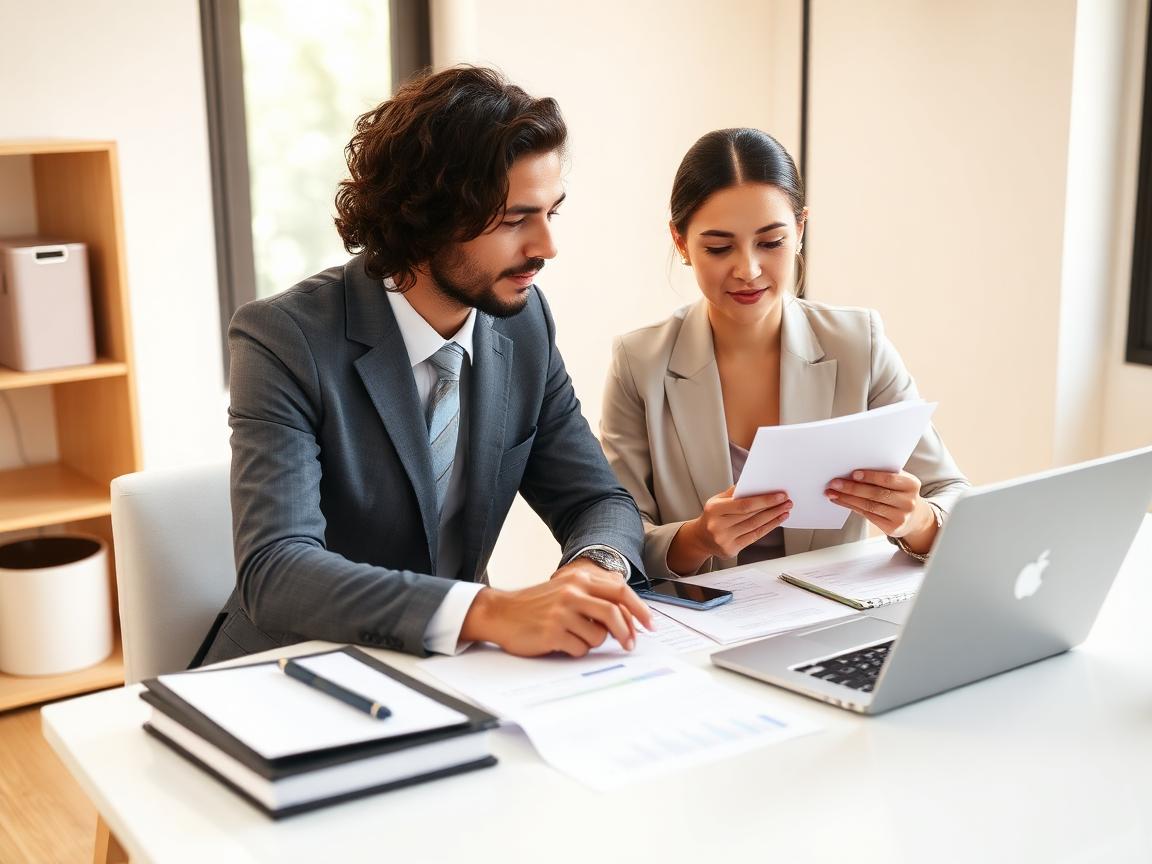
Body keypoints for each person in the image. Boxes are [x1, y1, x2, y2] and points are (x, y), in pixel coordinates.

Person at [197, 66, 652, 665]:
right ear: (430, 218)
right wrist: (489, 610)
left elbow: (598, 501)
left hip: (456, 672)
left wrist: (593, 570)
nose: (546, 247)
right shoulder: (284, 338)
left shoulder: (523, 323)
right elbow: (277, 572)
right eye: (515, 220)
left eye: (551, 213)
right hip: (297, 670)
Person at [600, 128, 969, 581]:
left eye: (771, 242)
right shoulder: (639, 362)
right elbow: (615, 531)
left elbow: (951, 492)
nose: (748, 270)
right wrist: (697, 539)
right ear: (681, 243)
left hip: (827, 616)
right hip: (697, 624)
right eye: (718, 248)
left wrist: (915, 520)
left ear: (799, 230)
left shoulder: (859, 343)